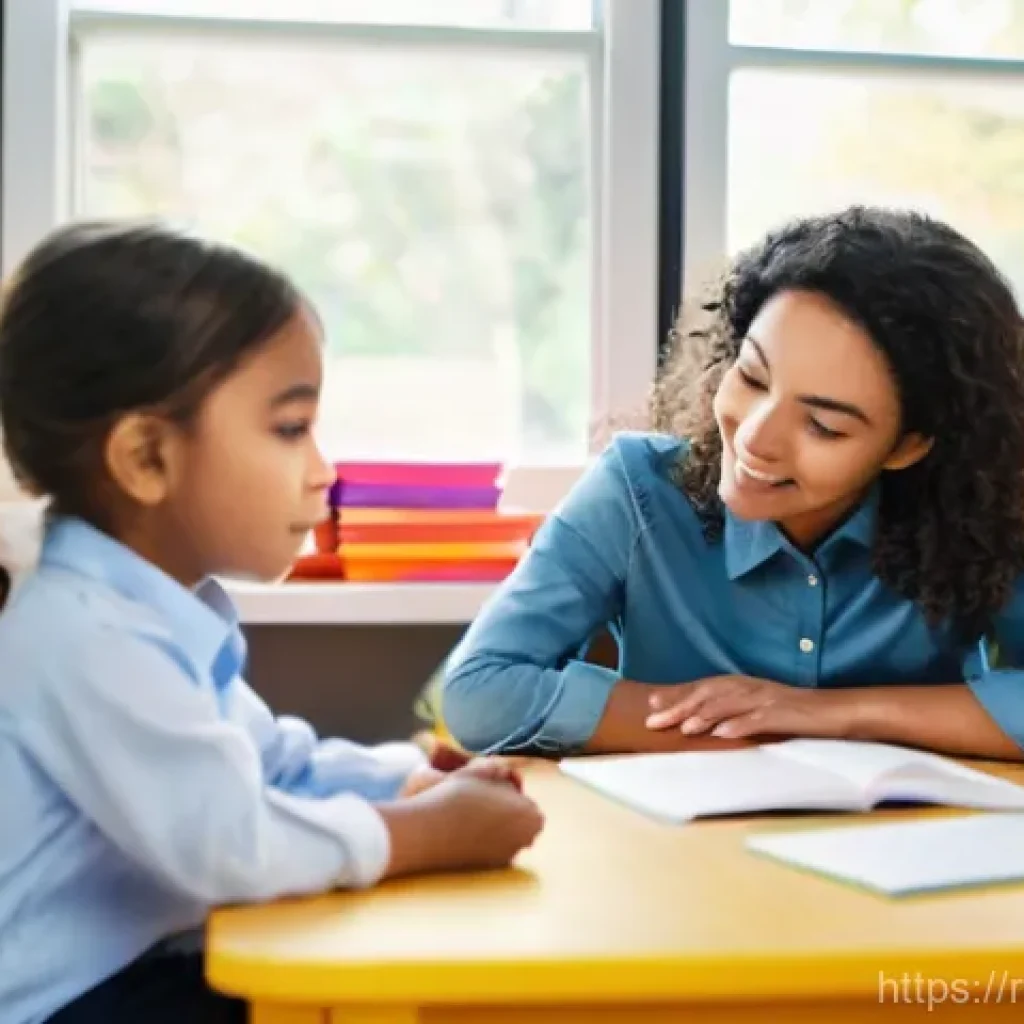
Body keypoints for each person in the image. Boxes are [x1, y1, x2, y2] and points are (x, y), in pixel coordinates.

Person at [0, 222, 543, 1024]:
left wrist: (408, 775)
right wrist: (431, 832)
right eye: (291, 429)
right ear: (146, 458)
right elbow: (232, 842)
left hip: (134, 974)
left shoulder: (151, 612)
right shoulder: (82, 636)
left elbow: (270, 763)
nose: (324, 470)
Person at [442, 206, 1024, 763]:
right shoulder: (637, 490)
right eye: (752, 377)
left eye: (823, 426)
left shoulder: (973, 515)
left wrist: (830, 714)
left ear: (908, 445)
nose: (755, 438)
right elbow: (478, 692)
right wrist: (737, 727)